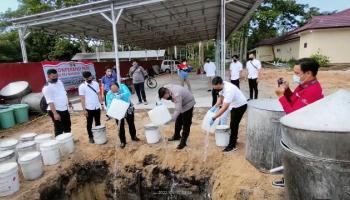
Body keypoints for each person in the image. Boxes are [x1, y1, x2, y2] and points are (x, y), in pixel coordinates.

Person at [272, 58, 324, 188]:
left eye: (297, 73)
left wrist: (281, 97)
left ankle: (291, 181)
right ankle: (290, 178)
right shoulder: (304, 85)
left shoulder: (313, 91)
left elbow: (294, 115)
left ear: (308, 73)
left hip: (304, 130)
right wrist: (287, 90)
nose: (295, 76)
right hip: (298, 127)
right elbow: (293, 100)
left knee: (296, 157)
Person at [210, 76, 247, 152]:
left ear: (220, 84)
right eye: (215, 88)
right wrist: (215, 107)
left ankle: (232, 146)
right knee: (233, 124)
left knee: (233, 124)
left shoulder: (229, 90)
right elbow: (220, 98)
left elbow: (224, 108)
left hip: (240, 106)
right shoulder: (222, 85)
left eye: (217, 88)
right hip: (233, 105)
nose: (216, 90)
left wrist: (214, 117)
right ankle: (234, 138)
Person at [158, 85, 196, 149]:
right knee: (178, 121)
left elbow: (177, 110)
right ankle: (176, 136)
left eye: (165, 97)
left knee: (186, 123)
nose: (166, 99)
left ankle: (183, 142)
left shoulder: (176, 95)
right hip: (181, 102)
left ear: (167, 92)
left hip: (188, 103)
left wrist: (169, 120)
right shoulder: (166, 87)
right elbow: (177, 108)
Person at [106, 82, 140, 149]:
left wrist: (120, 95)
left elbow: (128, 94)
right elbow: (108, 104)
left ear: (118, 87)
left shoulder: (123, 86)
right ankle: (123, 141)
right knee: (120, 126)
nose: (115, 91)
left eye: (116, 89)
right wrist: (109, 112)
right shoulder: (109, 94)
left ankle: (133, 136)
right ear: (110, 89)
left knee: (131, 123)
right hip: (117, 110)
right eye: (113, 90)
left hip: (127, 108)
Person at [42, 69, 72, 136]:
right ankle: (59, 143)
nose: (55, 78)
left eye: (56, 76)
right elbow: (50, 102)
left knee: (67, 125)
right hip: (55, 110)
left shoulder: (60, 82)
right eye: (53, 77)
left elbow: (64, 92)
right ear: (48, 76)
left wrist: (69, 101)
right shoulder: (47, 87)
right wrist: (55, 113)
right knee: (59, 128)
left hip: (64, 108)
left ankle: (68, 139)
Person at [79, 71, 104, 144]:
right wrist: (84, 110)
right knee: (89, 123)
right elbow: (82, 99)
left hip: (97, 107)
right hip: (89, 108)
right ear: (84, 78)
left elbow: (98, 94)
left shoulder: (96, 84)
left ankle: (98, 135)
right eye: (87, 78)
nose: (89, 79)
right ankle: (90, 137)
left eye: (90, 77)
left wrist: (102, 104)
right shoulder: (82, 87)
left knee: (98, 122)